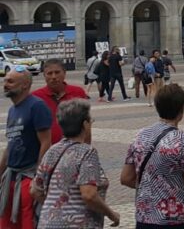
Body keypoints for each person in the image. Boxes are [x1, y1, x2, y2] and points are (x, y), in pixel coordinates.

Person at [121, 84, 184, 229]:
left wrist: (153, 187)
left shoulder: (141, 136)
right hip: (177, 219)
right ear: (181, 110)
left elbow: (126, 178)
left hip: (144, 219)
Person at [31, 99, 119, 228]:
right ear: (85, 124)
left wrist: (57, 208)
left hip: (47, 223)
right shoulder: (87, 152)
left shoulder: (52, 150)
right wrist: (112, 215)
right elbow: (89, 195)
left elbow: (35, 190)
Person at [1, 68, 52, 229]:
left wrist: (38, 177)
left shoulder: (36, 106)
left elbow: (46, 142)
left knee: (27, 221)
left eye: (10, 81)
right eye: (5, 80)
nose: (5, 84)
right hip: (11, 175)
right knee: (7, 220)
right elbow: (10, 145)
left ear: (24, 85)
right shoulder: (12, 110)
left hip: (28, 176)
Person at [31, 59, 89, 146]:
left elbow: (87, 123)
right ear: (44, 76)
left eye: (57, 72)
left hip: (75, 147)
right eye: (49, 73)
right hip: (47, 148)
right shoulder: (36, 97)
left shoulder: (78, 92)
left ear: (64, 73)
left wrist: (87, 146)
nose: (53, 77)